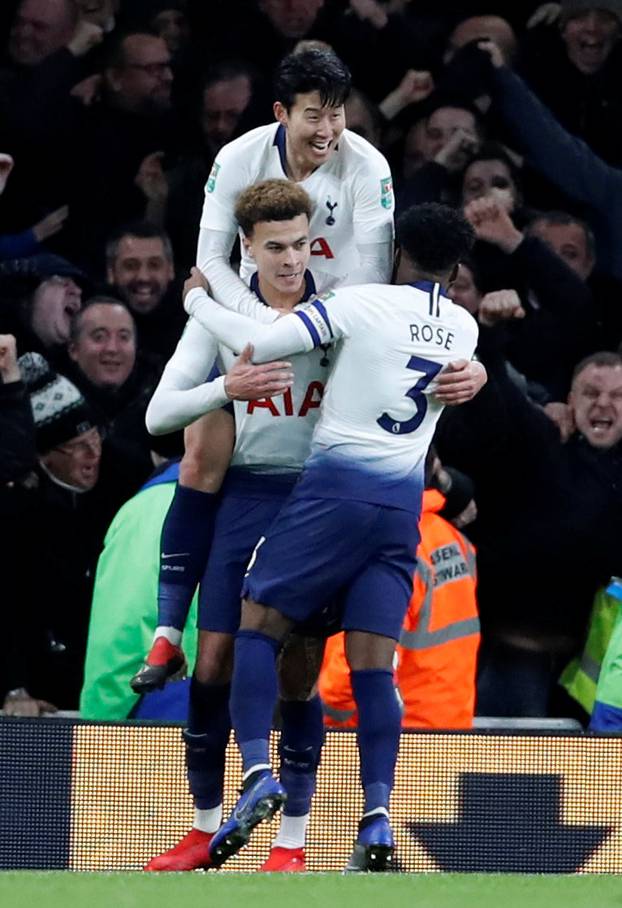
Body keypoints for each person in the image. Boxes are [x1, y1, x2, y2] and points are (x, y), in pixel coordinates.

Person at [183, 201, 479, 872]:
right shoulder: (463, 329)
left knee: (257, 622)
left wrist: (201, 304)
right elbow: (460, 374)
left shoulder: (363, 303)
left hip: (334, 495)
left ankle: (257, 770)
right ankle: (376, 819)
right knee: (376, 664)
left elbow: (264, 342)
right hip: (401, 510)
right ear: (457, 269)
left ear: (398, 249)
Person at [143, 47, 396, 694]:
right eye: (315, 115)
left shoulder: (368, 169)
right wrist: (260, 324)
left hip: (333, 332)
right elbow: (211, 264)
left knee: (299, 657)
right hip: (251, 317)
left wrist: (300, 328)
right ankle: (168, 630)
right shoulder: (236, 159)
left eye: (337, 115)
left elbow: (369, 286)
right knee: (201, 442)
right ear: (283, 112)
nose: (328, 132)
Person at [320, 449, 480, 731]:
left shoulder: (388, 547)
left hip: (393, 736)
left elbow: (356, 665)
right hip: (449, 727)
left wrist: (323, 721)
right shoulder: (452, 540)